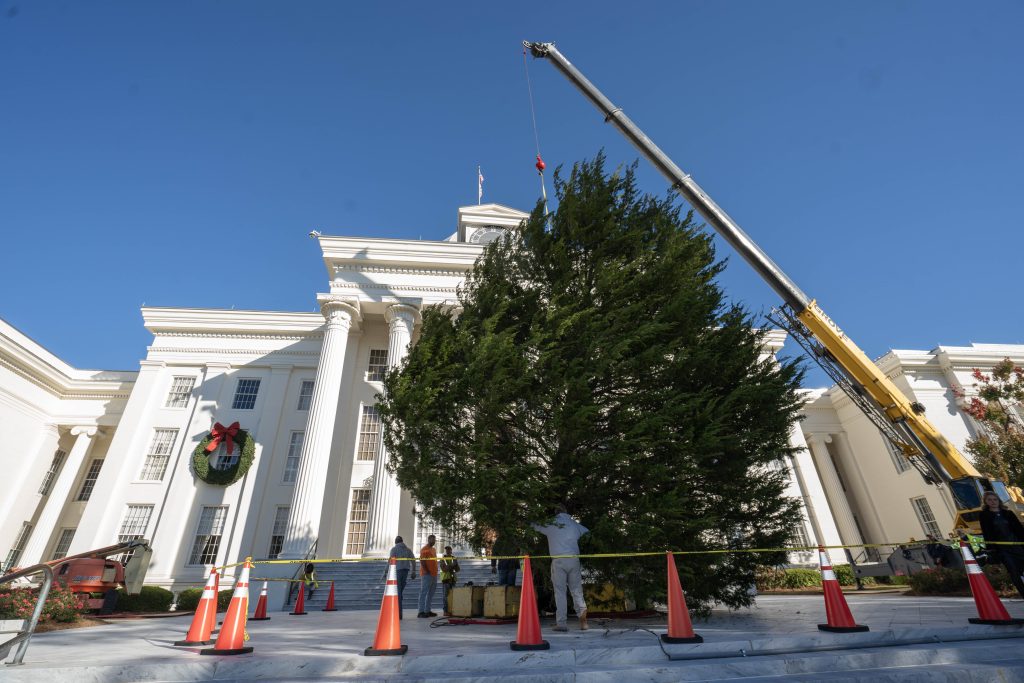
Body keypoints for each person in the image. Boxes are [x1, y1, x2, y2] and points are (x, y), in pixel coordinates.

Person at [532, 504, 589, 631]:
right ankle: (583, 622)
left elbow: (534, 525)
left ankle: (562, 624)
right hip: (574, 559)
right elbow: (586, 532)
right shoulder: (574, 524)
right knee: (576, 591)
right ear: (566, 512)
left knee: (560, 593)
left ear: (556, 513)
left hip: (558, 561)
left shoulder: (552, 523)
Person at [979, 491, 1024, 600]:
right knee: (1014, 571)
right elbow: (986, 533)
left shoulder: (1008, 513)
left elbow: (1019, 529)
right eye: (989, 500)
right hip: (1002, 549)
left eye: (995, 499)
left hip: (1016, 545)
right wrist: (991, 550)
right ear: (985, 502)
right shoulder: (984, 515)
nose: (993, 502)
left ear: (998, 500)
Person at [388, 535, 416, 619]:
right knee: (400, 592)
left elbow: (390, 561)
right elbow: (413, 561)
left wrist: (386, 572)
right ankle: (399, 612)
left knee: (398, 593)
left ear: (396, 542)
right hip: (406, 571)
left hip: (397, 571)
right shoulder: (408, 550)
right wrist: (413, 571)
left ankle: (398, 614)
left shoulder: (394, 549)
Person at [417, 534, 439, 618]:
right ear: (428, 540)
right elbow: (422, 561)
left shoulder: (433, 549)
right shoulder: (424, 549)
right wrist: (426, 571)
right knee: (423, 592)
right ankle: (421, 611)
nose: (433, 541)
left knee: (431, 593)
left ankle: (427, 610)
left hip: (434, 574)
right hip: (427, 574)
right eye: (432, 540)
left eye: (434, 540)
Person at [438, 545, 460, 616]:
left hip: (453, 580)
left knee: (453, 596)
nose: (448, 551)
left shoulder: (454, 558)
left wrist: (453, 565)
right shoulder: (443, 559)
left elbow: (457, 569)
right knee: (445, 596)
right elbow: (444, 569)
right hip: (446, 580)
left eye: (449, 550)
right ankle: (446, 611)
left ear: (451, 551)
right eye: (446, 550)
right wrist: (452, 565)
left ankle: (452, 610)